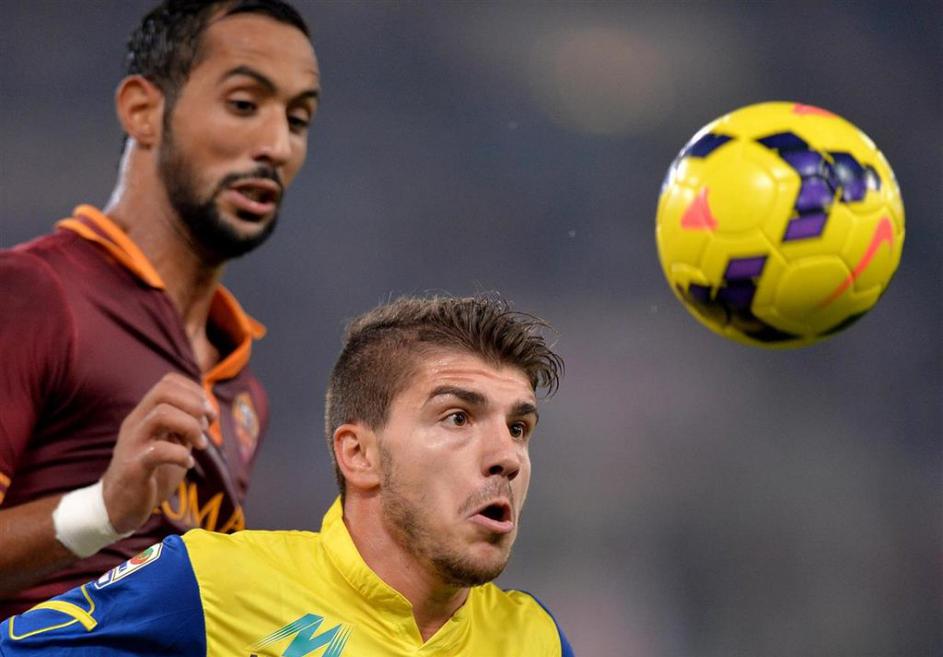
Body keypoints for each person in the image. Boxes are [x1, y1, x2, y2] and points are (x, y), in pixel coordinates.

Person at [0, 295, 575, 656]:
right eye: (457, 418)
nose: (507, 456)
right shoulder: (207, 584)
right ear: (359, 455)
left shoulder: (537, 640)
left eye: (518, 428)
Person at [0, 0, 320, 618]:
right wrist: (102, 510)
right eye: (244, 104)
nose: (277, 146)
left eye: (299, 119)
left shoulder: (244, 394)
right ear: (143, 111)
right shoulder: (34, 294)